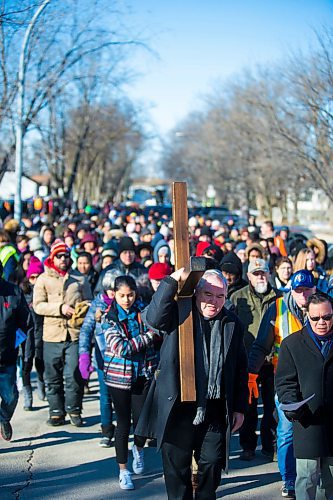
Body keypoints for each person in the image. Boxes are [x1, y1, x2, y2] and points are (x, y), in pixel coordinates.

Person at [136, 268, 248, 499]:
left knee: (212, 464)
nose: (213, 302)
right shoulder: (179, 314)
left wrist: (239, 407)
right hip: (178, 405)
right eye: (208, 294)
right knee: (177, 471)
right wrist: (171, 281)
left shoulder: (232, 322)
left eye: (220, 296)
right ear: (196, 293)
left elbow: (239, 367)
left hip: (214, 407)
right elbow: (153, 317)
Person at [248, 269, 316, 499]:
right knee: (286, 432)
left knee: (317, 429)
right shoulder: (277, 308)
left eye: (308, 289)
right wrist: (250, 375)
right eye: (299, 290)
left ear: (315, 289)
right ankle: (289, 479)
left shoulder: (324, 307)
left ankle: (318, 478)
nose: (303, 294)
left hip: (316, 382)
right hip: (286, 382)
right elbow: (260, 346)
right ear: (292, 291)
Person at [103, 275, 160, 491]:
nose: (126, 299)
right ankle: (123, 470)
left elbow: (156, 330)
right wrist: (148, 337)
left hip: (143, 374)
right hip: (118, 379)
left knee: (142, 422)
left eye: (130, 295)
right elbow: (122, 348)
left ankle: (138, 448)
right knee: (123, 424)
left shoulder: (142, 312)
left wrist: (150, 336)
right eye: (122, 295)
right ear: (114, 295)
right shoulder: (109, 318)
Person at [276, 293, 333, 500]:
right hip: (307, 422)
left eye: (327, 317)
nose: (322, 323)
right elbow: (285, 383)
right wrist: (291, 403)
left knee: (331, 482)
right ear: (306, 315)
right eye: (315, 318)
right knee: (306, 480)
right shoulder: (292, 344)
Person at [33, 239, 92, 427]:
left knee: (74, 375)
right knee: (52, 376)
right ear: (52, 257)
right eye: (59, 256)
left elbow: (90, 301)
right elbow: (38, 305)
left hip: (74, 334)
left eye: (66, 256)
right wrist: (60, 308)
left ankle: (74, 410)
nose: (63, 259)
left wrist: (82, 309)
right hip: (51, 334)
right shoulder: (43, 279)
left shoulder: (79, 279)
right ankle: (56, 412)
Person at [231, 258, 281, 461]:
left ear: (269, 274)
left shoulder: (279, 297)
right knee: (248, 406)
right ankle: (248, 446)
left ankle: (270, 446)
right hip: (248, 361)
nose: (260, 276)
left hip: (272, 362)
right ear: (248, 276)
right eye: (256, 273)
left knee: (272, 406)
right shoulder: (237, 298)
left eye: (263, 272)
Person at [79, 269, 122, 447]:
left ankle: (124, 428)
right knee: (105, 396)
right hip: (102, 358)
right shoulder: (98, 305)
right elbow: (86, 330)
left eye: (115, 290)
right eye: (110, 291)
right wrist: (84, 355)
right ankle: (106, 429)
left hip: (122, 358)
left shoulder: (125, 303)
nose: (113, 294)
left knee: (121, 397)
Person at [0, 261, 32, 441]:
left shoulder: (13, 293)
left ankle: (3, 417)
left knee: (11, 396)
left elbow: (26, 324)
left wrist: (24, 350)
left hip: (6, 357)